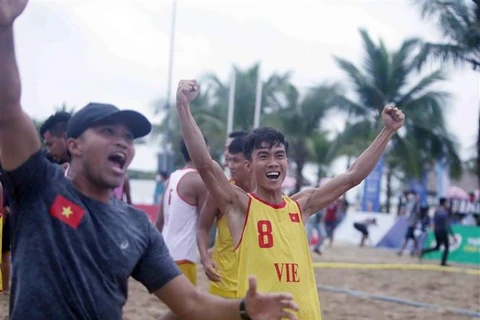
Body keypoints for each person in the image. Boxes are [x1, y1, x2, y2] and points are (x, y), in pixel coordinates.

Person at [0, 3, 299, 319]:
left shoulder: (136, 226)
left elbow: (190, 304)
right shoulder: (40, 186)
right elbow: (8, 111)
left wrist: (243, 309)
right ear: (74, 145)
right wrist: (5, 28)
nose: (122, 141)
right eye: (108, 131)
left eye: (129, 138)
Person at [175, 79, 405, 319]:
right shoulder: (241, 206)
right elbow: (204, 164)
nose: (273, 162)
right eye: (263, 156)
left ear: (287, 163)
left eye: (279, 155)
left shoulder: (300, 205)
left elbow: (352, 176)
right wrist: (183, 106)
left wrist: (387, 131)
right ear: (250, 165)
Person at [197, 133, 255, 299]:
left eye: (235, 160)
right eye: (229, 160)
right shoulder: (220, 192)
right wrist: (205, 259)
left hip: (257, 284)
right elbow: (202, 227)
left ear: (250, 163)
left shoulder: (267, 195)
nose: (230, 165)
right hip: (224, 283)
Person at [155, 139, 209, 286]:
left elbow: (159, 222)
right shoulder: (198, 181)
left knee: (177, 306)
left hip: (165, 253)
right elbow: (208, 221)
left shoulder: (172, 177)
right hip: (183, 256)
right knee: (186, 307)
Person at [420, 197, 457, 266]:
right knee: (446, 247)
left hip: (436, 231)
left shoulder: (436, 211)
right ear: (444, 203)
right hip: (442, 231)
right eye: (446, 203)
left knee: (437, 247)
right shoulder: (444, 212)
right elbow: (447, 225)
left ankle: (424, 251)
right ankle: (443, 262)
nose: (447, 204)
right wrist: (453, 235)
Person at [397, 192, 420, 256]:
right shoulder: (410, 203)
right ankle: (418, 251)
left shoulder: (415, 203)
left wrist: (415, 223)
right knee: (413, 238)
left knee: (407, 237)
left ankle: (401, 251)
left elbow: (417, 214)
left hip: (412, 223)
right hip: (410, 222)